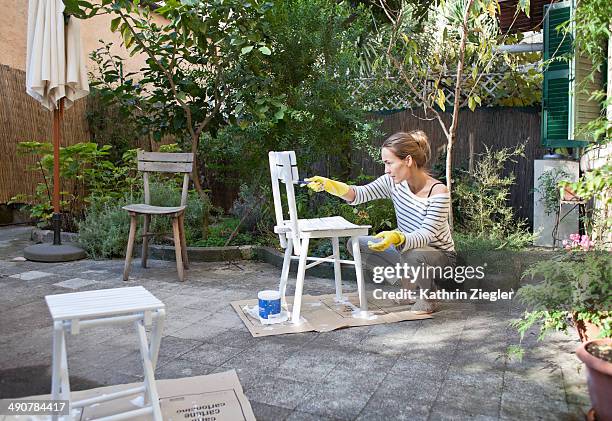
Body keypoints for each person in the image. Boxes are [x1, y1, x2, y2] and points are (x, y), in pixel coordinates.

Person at [306, 130, 456, 313]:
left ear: (408, 160)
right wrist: (330, 185)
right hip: (408, 250)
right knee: (356, 244)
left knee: (412, 253)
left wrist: (397, 237)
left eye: (389, 163)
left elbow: (425, 235)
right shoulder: (392, 182)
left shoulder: (438, 192)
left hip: (440, 259)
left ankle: (430, 296)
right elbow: (359, 194)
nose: (386, 170)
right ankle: (407, 291)